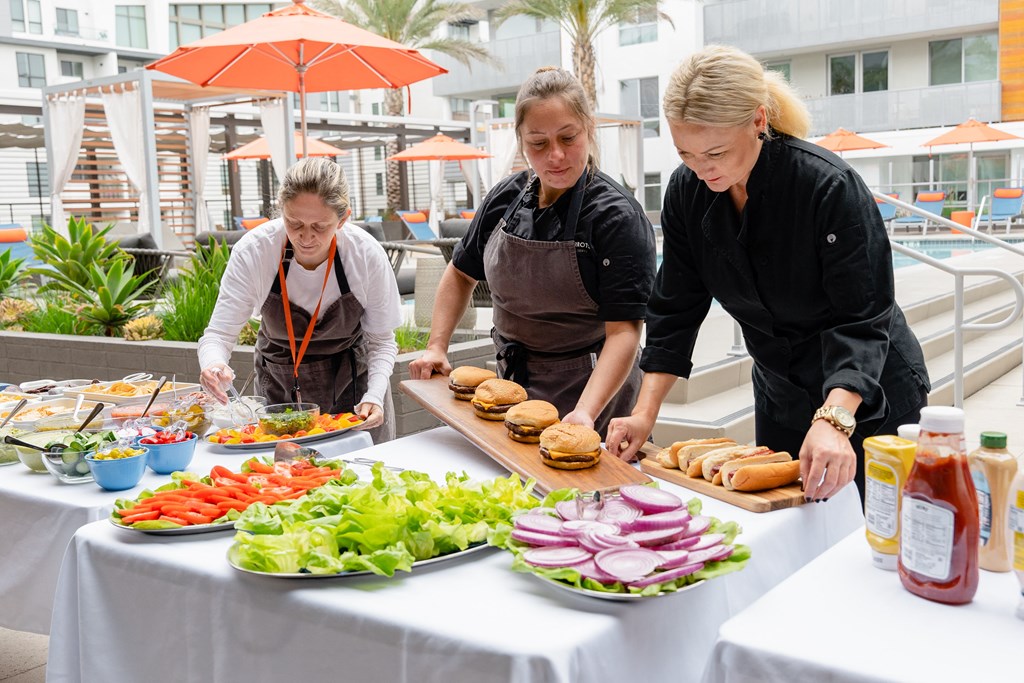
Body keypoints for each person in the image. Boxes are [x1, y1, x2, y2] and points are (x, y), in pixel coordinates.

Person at [607, 45, 930, 503]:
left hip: (870, 393)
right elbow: (675, 308)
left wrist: (834, 421)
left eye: (715, 152)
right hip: (782, 393)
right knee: (790, 529)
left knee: (883, 534)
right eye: (686, 154)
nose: (701, 169)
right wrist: (643, 412)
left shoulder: (827, 186)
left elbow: (861, 319)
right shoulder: (686, 192)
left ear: (759, 121)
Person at [409, 66, 657, 437]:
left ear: (588, 128)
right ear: (521, 140)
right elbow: (461, 273)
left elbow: (624, 332)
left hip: (593, 392)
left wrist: (585, 412)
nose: (555, 155)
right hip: (512, 389)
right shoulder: (505, 197)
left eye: (568, 137)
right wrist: (437, 345)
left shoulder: (616, 216)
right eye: (538, 143)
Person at [198, 156, 402, 442]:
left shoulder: (366, 255)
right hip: (279, 390)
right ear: (281, 211)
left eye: (319, 226)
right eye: (294, 223)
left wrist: (375, 395)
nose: (306, 237)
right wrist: (213, 364)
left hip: (355, 391)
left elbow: (382, 342)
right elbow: (217, 335)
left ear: (343, 218)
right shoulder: (255, 251)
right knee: (284, 480)